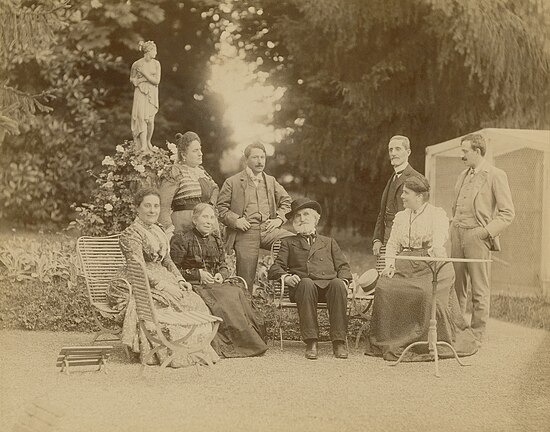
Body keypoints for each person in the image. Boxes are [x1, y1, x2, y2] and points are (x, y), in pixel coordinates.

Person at [364, 177, 478, 361]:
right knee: (385, 288)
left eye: (406, 193)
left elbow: (440, 238)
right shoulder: (401, 217)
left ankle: (425, 340)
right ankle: (391, 339)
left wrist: (434, 251)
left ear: (419, 196)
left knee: (425, 293)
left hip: (429, 263)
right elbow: (392, 244)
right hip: (405, 263)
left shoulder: (436, 214)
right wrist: (390, 265)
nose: (402, 196)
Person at [113, 187, 219, 368]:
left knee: (193, 300)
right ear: (137, 208)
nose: (152, 210)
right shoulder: (131, 234)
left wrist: (179, 280)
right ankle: (168, 352)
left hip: (164, 276)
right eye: (147, 206)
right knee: (168, 303)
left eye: (156, 206)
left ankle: (192, 351)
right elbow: (137, 266)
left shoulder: (158, 230)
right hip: (138, 280)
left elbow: (168, 260)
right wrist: (163, 286)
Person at [170, 203, 268, 358]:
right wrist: (198, 274)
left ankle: (250, 343)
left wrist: (221, 275)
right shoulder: (182, 239)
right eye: (205, 217)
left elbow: (223, 265)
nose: (209, 221)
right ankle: (235, 346)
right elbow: (173, 270)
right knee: (226, 297)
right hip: (196, 286)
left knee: (237, 292)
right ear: (195, 220)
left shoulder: (215, 239)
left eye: (211, 217)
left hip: (216, 284)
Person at [268, 198, 352, 360]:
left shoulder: (329, 242)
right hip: (303, 289)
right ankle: (311, 341)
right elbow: (275, 268)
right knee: (306, 282)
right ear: (293, 221)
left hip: (328, 287)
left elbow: (343, 267)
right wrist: (286, 277)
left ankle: (339, 341)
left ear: (316, 219)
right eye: (297, 216)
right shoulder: (288, 243)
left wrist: (343, 280)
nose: (302, 218)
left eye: (306, 214)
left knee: (337, 284)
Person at [451, 133, 515, 345]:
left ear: (477, 151)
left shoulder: (496, 175)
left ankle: (477, 335)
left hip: (477, 235)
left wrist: (485, 232)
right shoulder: (462, 175)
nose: (462, 156)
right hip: (457, 233)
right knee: (457, 285)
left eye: (465, 151)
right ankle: (458, 332)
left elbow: (507, 213)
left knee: (479, 288)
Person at [217, 142, 293, 292]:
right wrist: (236, 220)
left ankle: (288, 288)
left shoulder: (270, 181)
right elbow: (220, 208)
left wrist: (278, 219)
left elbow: (287, 202)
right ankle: (246, 306)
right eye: (255, 157)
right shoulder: (232, 182)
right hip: (246, 232)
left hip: (268, 229)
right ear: (246, 160)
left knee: (295, 242)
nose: (260, 161)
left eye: (262, 157)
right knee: (245, 279)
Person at [372, 135, 425, 268]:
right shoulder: (392, 178)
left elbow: (419, 214)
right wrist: (377, 239)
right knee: (384, 278)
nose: (393, 153)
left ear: (408, 152)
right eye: (390, 150)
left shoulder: (417, 178)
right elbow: (383, 211)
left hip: (405, 242)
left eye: (398, 149)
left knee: (400, 279)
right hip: (386, 238)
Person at [158, 131, 219, 237]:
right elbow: (163, 205)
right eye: (195, 151)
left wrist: (209, 206)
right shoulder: (174, 171)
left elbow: (215, 188)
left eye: (200, 149)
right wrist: (168, 229)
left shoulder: (202, 172)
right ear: (183, 154)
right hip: (184, 225)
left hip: (207, 223)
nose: (200, 153)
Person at [130, 40, 161, 152]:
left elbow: (156, 81)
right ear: (148, 51)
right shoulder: (137, 64)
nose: (156, 53)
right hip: (140, 92)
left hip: (151, 94)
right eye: (154, 50)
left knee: (150, 120)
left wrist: (144, 74)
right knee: (141, 118)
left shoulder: (156, 64)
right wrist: (136, 81)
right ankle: (142, 145)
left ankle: (148, 141)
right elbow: (132, 78)